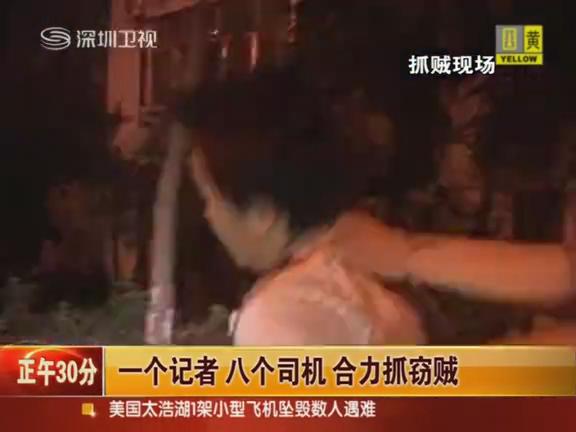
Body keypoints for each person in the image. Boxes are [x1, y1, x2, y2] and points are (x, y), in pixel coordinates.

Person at [176, 67, 427, 345]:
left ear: (261, 215)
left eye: (210, 199)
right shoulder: (374, 291)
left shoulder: (278, 317)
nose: (208, 214)